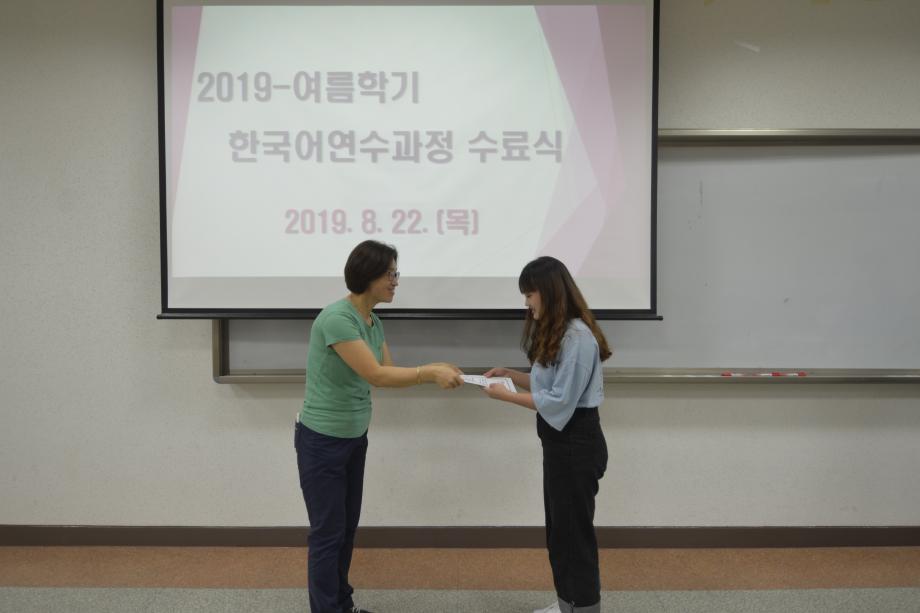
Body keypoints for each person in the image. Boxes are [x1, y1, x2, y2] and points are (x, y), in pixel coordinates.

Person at [295, 240, 463, 613]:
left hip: (354, 437)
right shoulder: (337, 318)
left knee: (345, 530)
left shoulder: (373, 320)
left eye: (395, 273)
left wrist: (435, 368)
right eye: (390, 274)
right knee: (327, 534)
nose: (395, 281)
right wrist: (429, 372)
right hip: (322, 441)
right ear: (367, 275)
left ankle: (343, 605)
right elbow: (377, 375)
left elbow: (386, 372)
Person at [483, 256, 611, 613]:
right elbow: (550, 385)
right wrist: (511, 375)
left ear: (550, 292)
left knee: (574, 537)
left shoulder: (578, 338)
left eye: (530, 294)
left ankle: (584, 608)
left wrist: (506, 396)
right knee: (559, 534)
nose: (527, 303)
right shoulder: (560, 332)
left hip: (576, 444)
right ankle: (567, 603)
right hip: (559, 444)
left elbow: (559, 402)